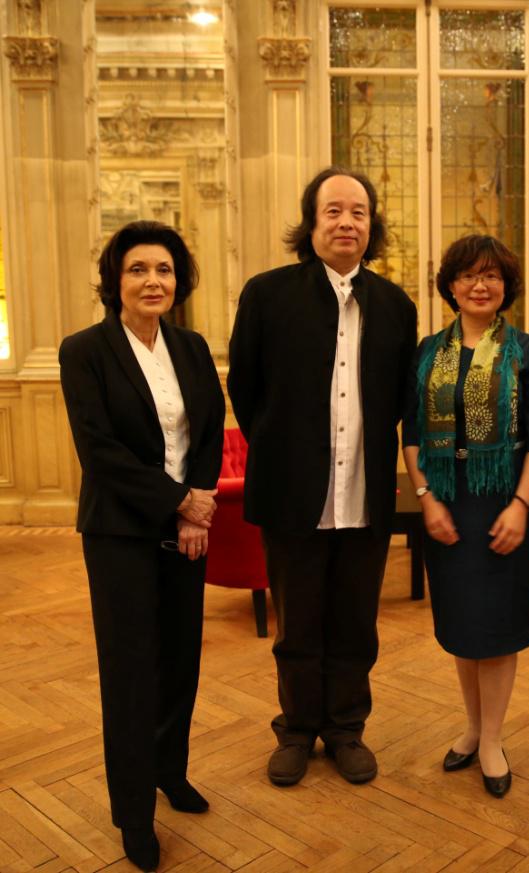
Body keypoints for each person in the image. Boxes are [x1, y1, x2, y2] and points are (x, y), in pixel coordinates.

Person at [227, 166, 417, 787]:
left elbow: (402, 400)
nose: (346, 222)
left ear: (372, 226)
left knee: (356, 624)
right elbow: (246, 387)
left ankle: (346, 730)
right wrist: (281, 450)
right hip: (292, 494)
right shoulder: (267, 294)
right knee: (298, 624)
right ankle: (296, 730)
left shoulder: (395, 306)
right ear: (311, 223)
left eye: (358, 212)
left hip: (365, 491)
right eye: (333, 210)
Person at [59, 221, 225, 872]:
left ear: (178, 281)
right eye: (138, 269)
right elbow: (99, 450)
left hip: (187, 529)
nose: (153, 280)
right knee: (130, 674)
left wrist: (197, 508)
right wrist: (179, 501)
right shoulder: (84, 351)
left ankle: (169, 772)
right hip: (120, 532)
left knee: (181, 660)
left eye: (164, 269)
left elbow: (208, 429)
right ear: (115, 280)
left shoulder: (191, 346)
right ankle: (133, 813)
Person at [403, 235, 529, 798]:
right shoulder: (428, 352)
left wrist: (520, 505)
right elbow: (412, 433)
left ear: (506, 286)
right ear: (451, 286)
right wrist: (427, 498)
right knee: (463, 626)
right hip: (447, 499)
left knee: (497, 626)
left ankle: (493, 740)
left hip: (504, 501)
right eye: (468, 275)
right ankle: (471, 728)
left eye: (491, 276)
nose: (479, 285)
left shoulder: (525, 350)